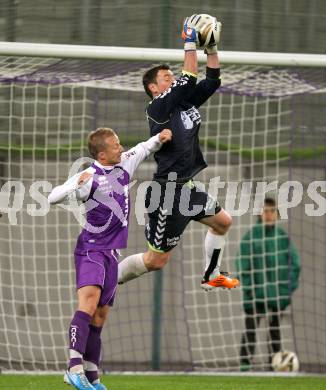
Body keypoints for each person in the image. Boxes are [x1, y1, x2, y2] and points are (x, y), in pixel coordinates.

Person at [118, 14, 239, 290]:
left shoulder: (183, 103)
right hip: (167, 194)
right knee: (155, 261)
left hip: (188, 187)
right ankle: (109, 279)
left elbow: (211, 81)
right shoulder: (157, 108)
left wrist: (210, 48)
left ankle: (211, 275)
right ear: (153, 87)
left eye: (171, 75)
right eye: (165, 77)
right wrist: (189, 42)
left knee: (223, 222)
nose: (171, 79)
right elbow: (188, 77)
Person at [48, 127, 172, 390]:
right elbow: (52, 197)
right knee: (88, 305)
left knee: (101, 316)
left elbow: (144, 147)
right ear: (102, 154)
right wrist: (75, 182)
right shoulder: (90, 177)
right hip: (91, 250)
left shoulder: (124, 163)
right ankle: (74, 368)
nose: (121, 147)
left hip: (113, 253)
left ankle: (92, 378)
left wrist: (159, 138)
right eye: (116, 145)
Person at [235, 197, 301, 371]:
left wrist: (285, 291)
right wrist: (250, 290)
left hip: (276, 297)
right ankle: (245, 365)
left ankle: (274, 366)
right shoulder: (250, 237)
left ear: (277, 215)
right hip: (255, 297)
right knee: (250, 330)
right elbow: (242, 265)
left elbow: (295, 265)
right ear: (260, 214)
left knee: (274, 332)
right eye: (266, 211)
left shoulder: (282, 238)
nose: (269, 214)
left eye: (272, 211)